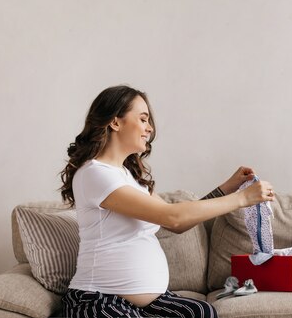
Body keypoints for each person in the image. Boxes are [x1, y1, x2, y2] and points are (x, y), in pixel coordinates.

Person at [59, 85, 275, 318]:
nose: (150, 128)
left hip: (147, 303)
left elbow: (178, 223)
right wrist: (242, 198)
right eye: (143, 119)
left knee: (201, 312)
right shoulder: (95, 173)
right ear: (115, 122)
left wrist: (226, 189)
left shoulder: (128, 177)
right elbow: (172, 216)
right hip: (98, 300)